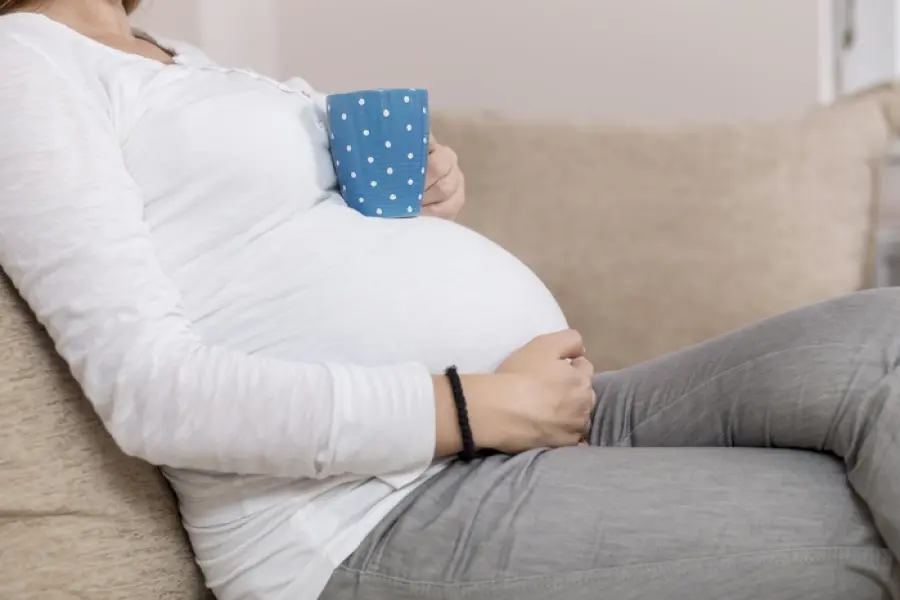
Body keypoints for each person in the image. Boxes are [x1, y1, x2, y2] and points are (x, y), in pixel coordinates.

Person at [1, 1, 898, 599]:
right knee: (847, 523)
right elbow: (155, 394)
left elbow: (266, 243)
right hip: (370, 515)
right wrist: (470, 405)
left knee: (882, 339)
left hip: (538, 418)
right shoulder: (23, 66)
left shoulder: (181, 60)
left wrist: (422, 201)